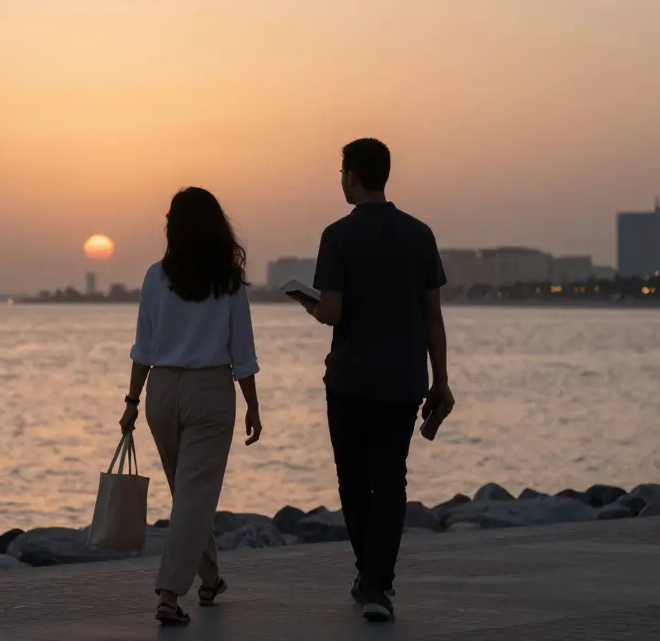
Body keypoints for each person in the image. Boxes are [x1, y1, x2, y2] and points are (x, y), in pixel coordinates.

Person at [298, 138, 454, 622]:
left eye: (341, 172)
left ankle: (370, 575)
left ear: (351, 176)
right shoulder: (420, 234)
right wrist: (441, 380)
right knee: (391, 480)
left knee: (353, 481)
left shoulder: (337, 236)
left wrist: (306, 301)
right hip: (404, 379)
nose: (339, 180)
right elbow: (433, 315)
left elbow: (332, 311)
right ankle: (377, 586)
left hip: (349, 379)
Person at [118, 186, 263, 627]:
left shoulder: (153, 277)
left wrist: (132, 400)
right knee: (194, 499)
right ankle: (168, 594)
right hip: (210, 393)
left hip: (162, 391)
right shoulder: (229, 282)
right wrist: (253, 406)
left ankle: (211, 578)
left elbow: (143, 348)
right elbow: (243, 353)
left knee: (189, 498)